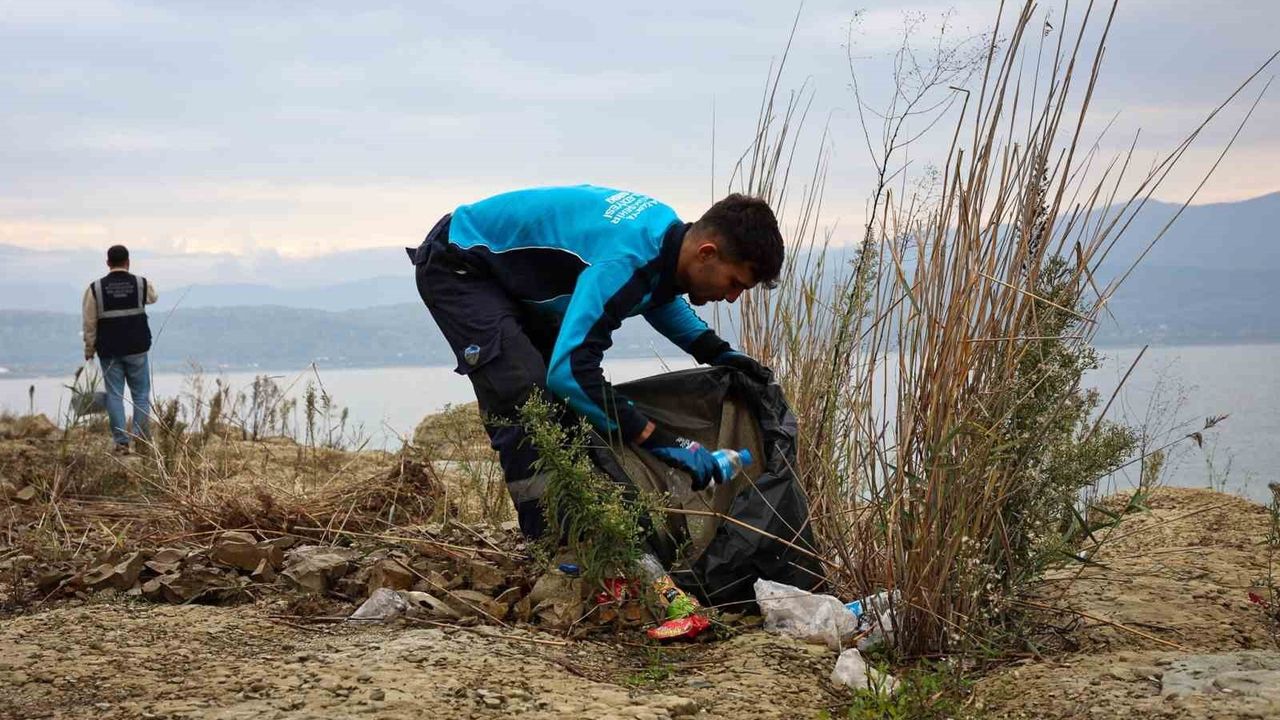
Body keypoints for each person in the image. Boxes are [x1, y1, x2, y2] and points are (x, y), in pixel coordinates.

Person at [409, 185, 782, 538]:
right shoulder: (625, 258)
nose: (733, 297)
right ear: (706, 252)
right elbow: (570, 372)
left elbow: (657, 294)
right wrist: (661, 441)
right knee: (527, 397)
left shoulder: (665, 239)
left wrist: (720, 353)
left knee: (568, 409)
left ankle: (586, 531)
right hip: (460, 262)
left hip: (514, 283)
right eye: (735, 283)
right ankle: (551, 546)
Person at [82, 244, 157, 454]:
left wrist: (89, 348)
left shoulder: (95, 289)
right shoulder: (141, 284)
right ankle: (140, 439)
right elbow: (153, 296)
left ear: (107, 263)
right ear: (128, 262)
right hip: (137, 347)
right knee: (141, 394)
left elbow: (89, 322)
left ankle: (121, 443)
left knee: (115, 395)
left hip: (109, 349)